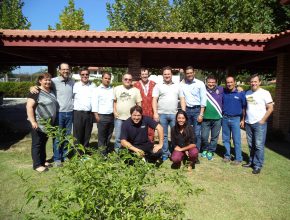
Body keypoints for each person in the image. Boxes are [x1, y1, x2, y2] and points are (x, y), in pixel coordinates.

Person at [30, 63, 74, 167]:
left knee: (67, 136)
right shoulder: (53, 81)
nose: (65, 71)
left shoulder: (72, 82)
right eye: (63, 69)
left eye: (67, 69)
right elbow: (42, 84)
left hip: (70, 113)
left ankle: (65, 156)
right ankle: (57, 158)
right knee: (58, 137)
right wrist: (32, 87)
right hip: (58, 114)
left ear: (70, 70)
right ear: (59, 70)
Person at [26, 73, 58, 172]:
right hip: (38, 123)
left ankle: (43, 161)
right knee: (37, 144)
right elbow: (29, 106)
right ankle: (37, 165)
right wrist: (33, 121)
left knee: (43, 143)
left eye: (49, 80)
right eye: (45, 80)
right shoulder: (36, 92)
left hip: (47, 124)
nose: (48, 82)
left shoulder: (51, 91)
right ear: (40, 81)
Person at [243, 74, 273, 174]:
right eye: (252, 81)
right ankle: (251, 162)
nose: (253, 83)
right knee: (251, 145)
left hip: (259, 123)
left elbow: (270, 108)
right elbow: (248, 107)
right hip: (249, 122)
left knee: (259, 145)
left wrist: (263, 120)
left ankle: (258, 165)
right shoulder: (248, 93)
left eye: (255, 81)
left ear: (259, 82)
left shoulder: (265, 93)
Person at [152, 66, 181, 161]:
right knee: (163, 135)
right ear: (162, 75)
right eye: (165, 74)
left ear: (171, 74)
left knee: (175, 134)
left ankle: (174, 152)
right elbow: (154, 99)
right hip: (162, 114)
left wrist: (182, 113)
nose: (167, 76)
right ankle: (165, 153)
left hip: (174, 114)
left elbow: (182, 99)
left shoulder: (177, 85)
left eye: (168, 74)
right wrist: (155, 113)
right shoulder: (158, 86)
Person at [180, 66, 207, 153]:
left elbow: (203, 99)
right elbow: (182, 99)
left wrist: (201, 114)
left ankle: (195, 152)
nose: (189, 74)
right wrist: (183, 113)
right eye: (187, 73)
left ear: (194, 73)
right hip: (187, 110)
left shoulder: (200, 84)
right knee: (186, 132)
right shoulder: (182, 85)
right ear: (185, 74)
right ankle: (187, 151)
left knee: (197, 133)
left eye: (191, 73)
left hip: (197, 110)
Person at [113, 73, 142, 152]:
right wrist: (114, 112)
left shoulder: (136, 90)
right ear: (122, 80)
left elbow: (139, 104)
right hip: (119, 118)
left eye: (129, 79)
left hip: (131, 119)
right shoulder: (116, 89)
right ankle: (117, 155)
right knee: (118, 138)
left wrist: (138, 115)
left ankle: (130, 154)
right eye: (125, 79)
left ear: (131, 81)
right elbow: (114, 102)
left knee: (131, 138)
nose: (127, 81)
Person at [222, 76, 246, 165]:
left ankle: (238, 158)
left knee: (237, 140)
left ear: (234, 82)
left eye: (231, 82)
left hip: (236, 119)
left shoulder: (240, 93)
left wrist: (243, 119)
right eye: (227, 82)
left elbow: (244, 107)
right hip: (225, 118)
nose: (229, 84)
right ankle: (227, 156)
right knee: (225, 139)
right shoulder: (223, 92)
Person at [201, 75, 223, 160]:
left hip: (217, 118)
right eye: (209, 82)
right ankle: (205, 149)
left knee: (214, 137)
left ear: (216, 83)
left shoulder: (221, 89)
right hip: (205, 118)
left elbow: (230, 89)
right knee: (204, 136)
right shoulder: (202, 90)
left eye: (213, 82)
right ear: (206, 82)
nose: (211, 84)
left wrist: (239, 88)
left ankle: (211, 151)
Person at [73, 68, 96, 148]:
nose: (85, 76)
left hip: (89, 114)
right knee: (78, 134)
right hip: (78, 113)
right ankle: (78, 153)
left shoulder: (93, 86)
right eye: (83, 74)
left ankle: (85, 152)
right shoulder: (75, 85)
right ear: (80, 75)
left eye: (86, 74)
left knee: (87, 134)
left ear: (89, 75)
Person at [92, 72, 114, 153]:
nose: (107, 80)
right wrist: (96, 115)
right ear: (102, 78)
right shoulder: (97, 90)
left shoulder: (112, 89)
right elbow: (94, 103)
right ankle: (102, 154)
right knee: (102, 136)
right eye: (106, 78)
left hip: (111, 116)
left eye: (109, 78)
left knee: (109, 135)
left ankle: (106, 150)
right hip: (102, 116)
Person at [134, 68, 156, 142]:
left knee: (151, 130)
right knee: (140, 130)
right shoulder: (136, 85)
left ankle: (150, 148)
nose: (144, 76)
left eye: (146, 74)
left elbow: (156, 99)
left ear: (148, 75)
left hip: (151, 112)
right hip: (140, 112)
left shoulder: (153, 84)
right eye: (143, 74)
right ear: (140, 75)